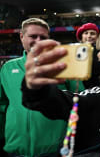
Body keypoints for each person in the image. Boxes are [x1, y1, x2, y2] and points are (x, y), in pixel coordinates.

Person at [0, 18, 85, 157]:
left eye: (43, 37)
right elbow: (2, 105)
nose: (38, 41)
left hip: (53, 150)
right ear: (21, 36)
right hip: (15, 149)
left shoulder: (63, 66)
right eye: (33, 36)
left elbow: (80, 102)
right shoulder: (8, 68)